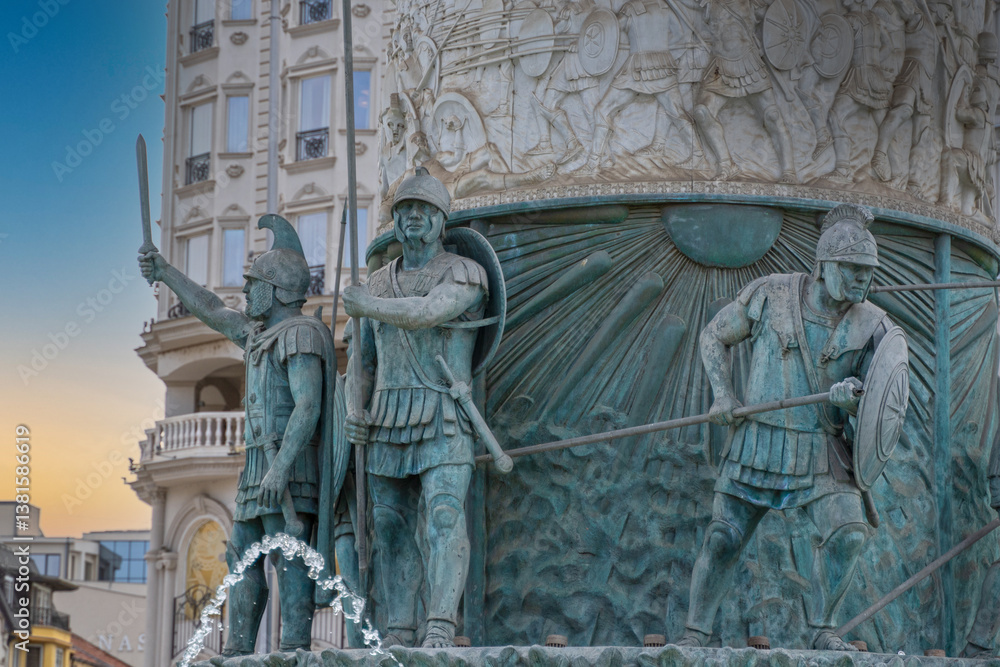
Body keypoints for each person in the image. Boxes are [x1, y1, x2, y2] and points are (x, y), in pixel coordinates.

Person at [676, 203, 895, 651]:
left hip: (821, 449)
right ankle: (694, 634)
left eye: (868, 271)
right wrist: (722, 393)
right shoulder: (771, 293)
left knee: (848, 533)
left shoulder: (872, 325)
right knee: (723, 537)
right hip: (759, 440)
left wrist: (852, 401)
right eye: (851, 269)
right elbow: (713, 336)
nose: (861, 280)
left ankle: (822, 630)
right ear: (823, 264)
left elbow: (881, 399)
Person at [139, 215, 341, 654]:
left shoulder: (301, 336)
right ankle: (237, 650)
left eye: (254, 284)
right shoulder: (256, 335)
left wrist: (281, 469)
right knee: (240, 555)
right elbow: (211, 308)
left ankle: (293, 650)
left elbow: (307, 408)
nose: (246, 292)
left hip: (289, 463)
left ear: (277, 288)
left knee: (289, 555)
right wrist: (165, 271)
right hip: (257, 464)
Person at [343, 167, 488, 648]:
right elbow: (361, 363)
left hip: (444, 415)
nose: (413, 220)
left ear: (442, 221)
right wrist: (354, 409)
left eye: (424, 212)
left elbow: (427, 312)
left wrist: (364, 304)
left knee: (445, 515)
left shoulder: (465, 274)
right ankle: (400, 630)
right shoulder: (377, 284)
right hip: (387, 417)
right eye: (405, 212)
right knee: (387, 525)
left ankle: (441, 628)